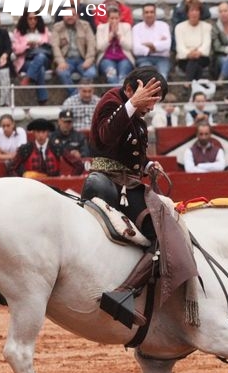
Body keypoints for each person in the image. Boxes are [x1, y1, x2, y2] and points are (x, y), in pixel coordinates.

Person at [82, 67, 195, 328]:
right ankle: (124, 292)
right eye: (151, 99)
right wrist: (133, 104)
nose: (152, 107)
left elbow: (130, 155)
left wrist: (147, 166)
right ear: (133, 89)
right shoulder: (112, 102)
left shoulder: (134, 115)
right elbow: (104, 137)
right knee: (161, 233)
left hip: (126, 181)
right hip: (112, 184)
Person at [52, 7, 97, 97]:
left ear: (77, 16)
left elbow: (92, 44)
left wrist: (88, 60)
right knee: (62, 73)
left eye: (72, 14)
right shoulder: (57, 27)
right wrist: (61, 62)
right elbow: (55, 46)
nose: (70, 17)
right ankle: (76, 96)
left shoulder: (85, 25)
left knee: (91, 73)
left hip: (82, 59)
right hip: (66, 60)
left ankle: (74, 96)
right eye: (67, 14)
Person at [12, 9, 52, 106]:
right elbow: (16, 49)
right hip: (26, 60)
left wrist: (39, 43)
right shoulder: (18, 32)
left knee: (41, 56)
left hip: (44, 57)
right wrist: (27, 45)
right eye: (30, 19)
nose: (33, 21)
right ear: (25, 19)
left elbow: (49, 45)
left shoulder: (44, 31)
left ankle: (28, 78)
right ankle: (42, 100)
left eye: (35, 19)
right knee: (40, 69)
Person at [174, 0, 213, 81]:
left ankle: (187, 84)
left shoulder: (207, 26)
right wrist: (189, 53)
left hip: (202, 57)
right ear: (187, 13)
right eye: (192, 10)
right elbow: (180, 47)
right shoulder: (179, 27)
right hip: (184, 59)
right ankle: (196, 87)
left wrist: (198, 52)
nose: (194, 13)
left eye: (196, 10)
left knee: (195, 61)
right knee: (195, 64)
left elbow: (206, 45)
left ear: (200, 13)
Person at [132, 3, 172, 80]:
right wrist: (157, 47)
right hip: (144, 58)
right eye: (146, 12)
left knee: (163, 77)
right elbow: (136, 49)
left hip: (162, 58)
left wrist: (149, 45)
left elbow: (167, 46)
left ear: (155, 14)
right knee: (147, 78)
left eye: (151, 12)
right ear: (143, 14)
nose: (149, 14)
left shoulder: (164, 26)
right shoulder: (136, 28)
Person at [96, 6, 134, 85]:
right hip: (107, 58)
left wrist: (119, 37)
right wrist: (109, 37)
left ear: (120, 18)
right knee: (112, 77)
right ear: (108, 18)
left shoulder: (126, 27)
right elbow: (100, 48)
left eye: (116, 18)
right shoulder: (101, 28)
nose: (114, 21)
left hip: (124, 58)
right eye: (112, 18)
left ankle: (119, 97)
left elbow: (129, 46)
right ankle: (117, 96)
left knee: (122, 78)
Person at [50, 109, 90, 176]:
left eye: (69, 122)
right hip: (58, 171)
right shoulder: (52, 137)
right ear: (59, 121)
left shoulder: (79, 137)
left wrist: (80, 155)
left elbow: (86, 153)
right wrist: (69, 154)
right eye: (64, 122)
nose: (67, 124)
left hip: (76, 170)